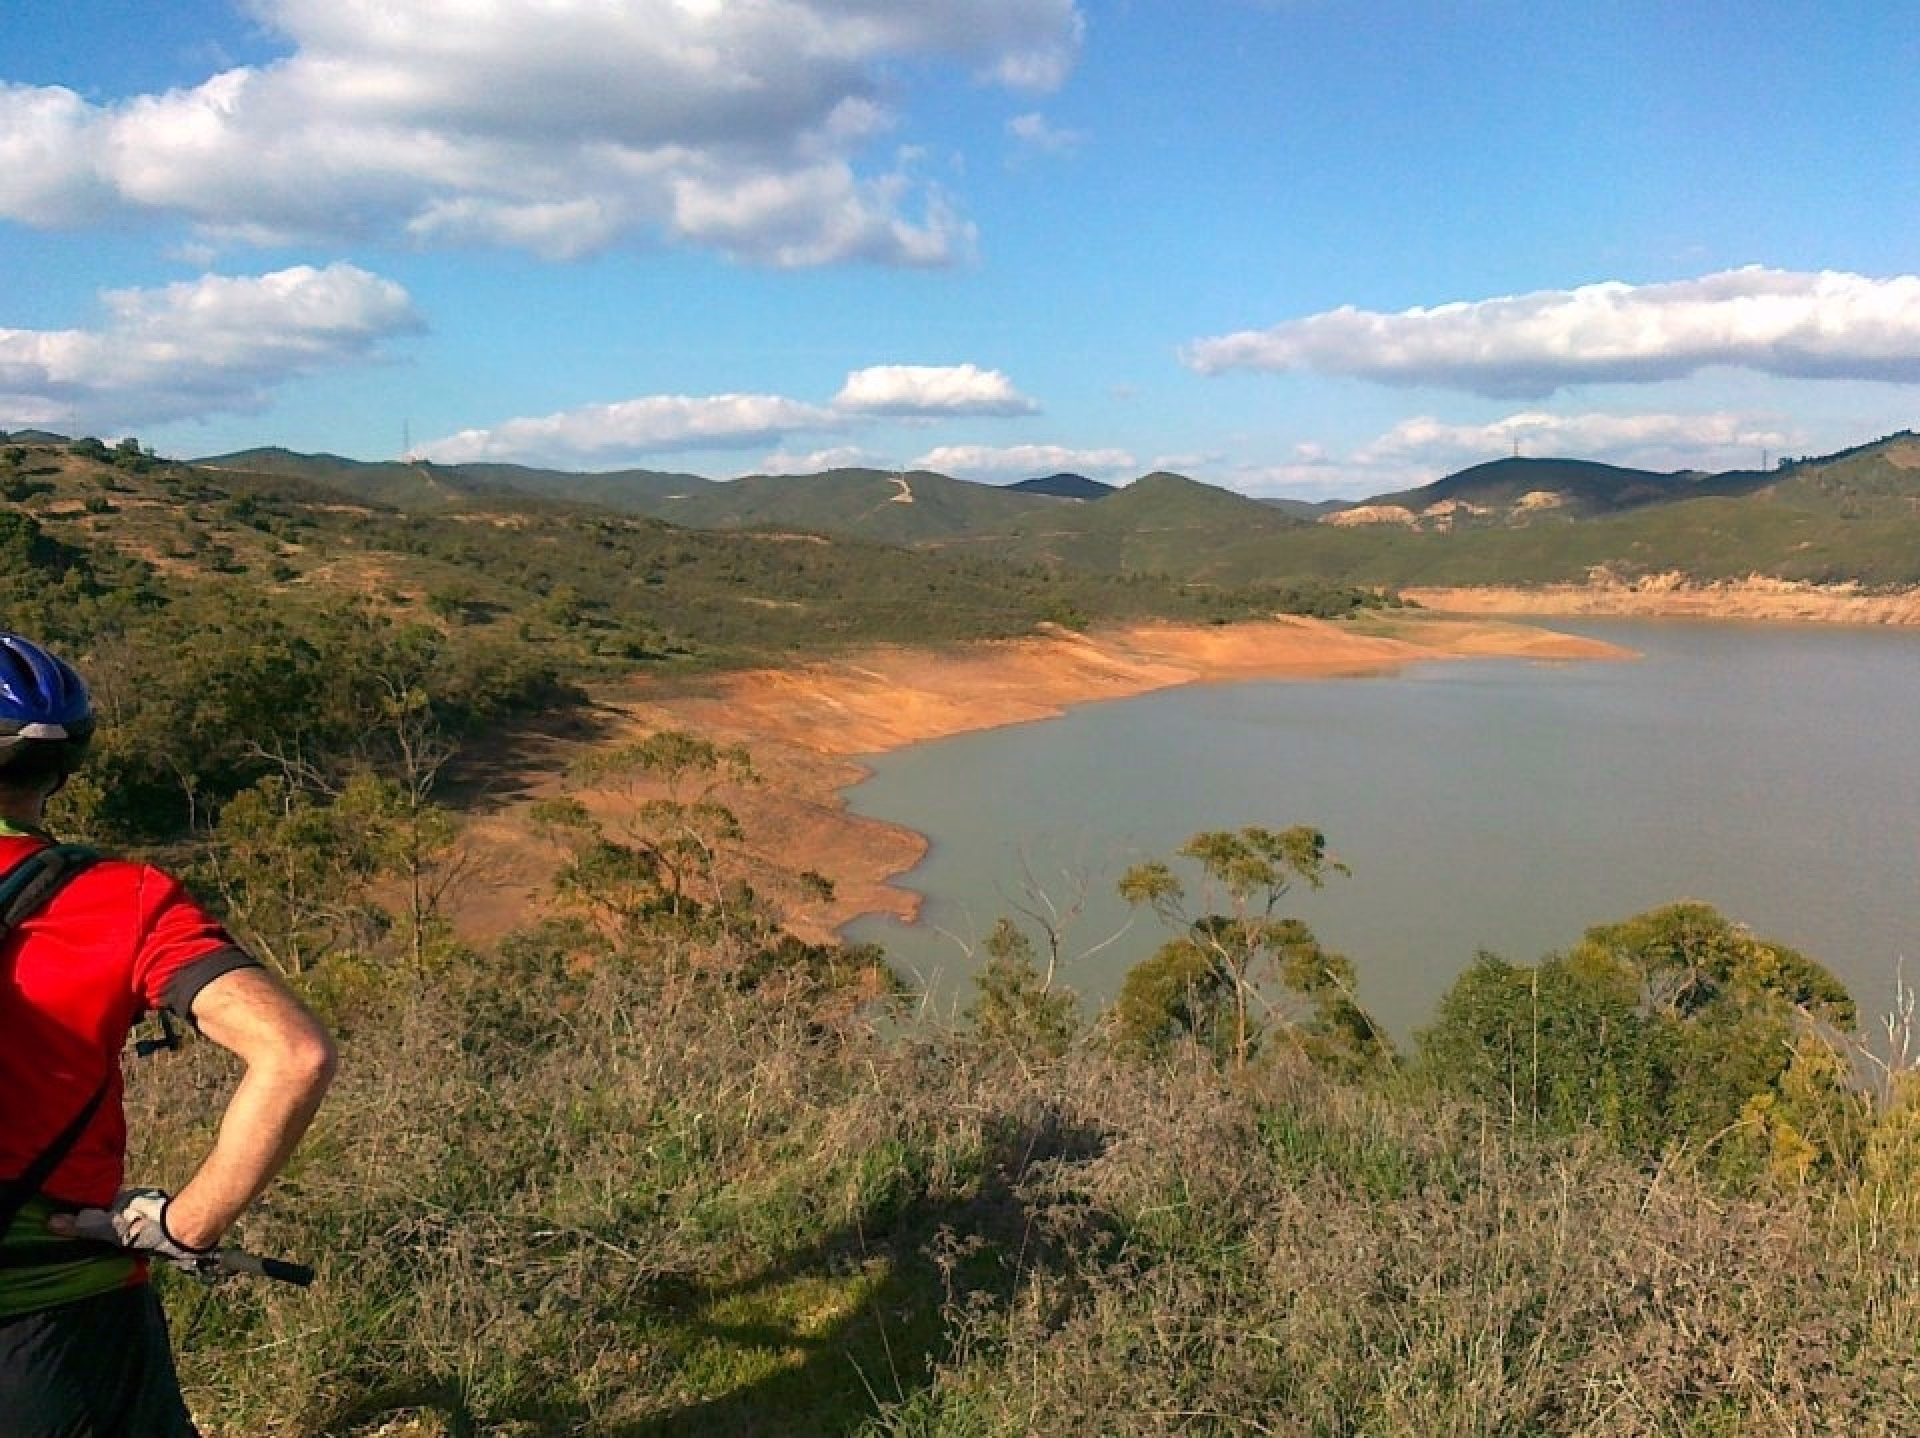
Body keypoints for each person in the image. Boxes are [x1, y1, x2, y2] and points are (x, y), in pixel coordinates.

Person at [0, 632, 337, 1437]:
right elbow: (294, 1054)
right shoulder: (123, 900)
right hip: (58, 1316)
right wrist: (187, 1224)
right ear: (61, 766)